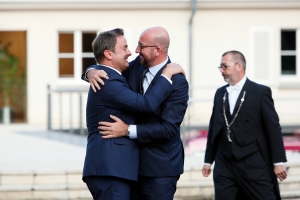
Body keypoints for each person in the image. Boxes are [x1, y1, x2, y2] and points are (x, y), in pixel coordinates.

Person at [82, 27, 189, 200]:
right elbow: (108, 67)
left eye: (141, 46)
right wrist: (90, 72)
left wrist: (127, 130)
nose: (135, 51)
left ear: (157, 50)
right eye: (131, 46)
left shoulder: (177, 82)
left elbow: (169, 128)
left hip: (159, 167)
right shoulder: (134, 67)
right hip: (127, 166)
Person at [202, 50, 287, 200]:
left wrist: (278, 161)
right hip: (224, 164)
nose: (222, 71)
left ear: (239, 66)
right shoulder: (220, 93)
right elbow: (214, 127)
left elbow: (273, 128)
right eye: (220, 67)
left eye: (225, 66)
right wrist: (208, 160)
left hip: (253, 162)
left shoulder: (260, 92)